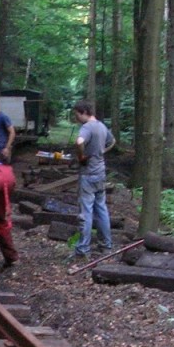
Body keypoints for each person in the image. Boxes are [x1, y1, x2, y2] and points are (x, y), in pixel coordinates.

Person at [71, 100, 115, 259]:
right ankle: (106, 245)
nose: (76, 118)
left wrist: (81, 156)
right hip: (101, 173)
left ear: (83, 112)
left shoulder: (87, 127)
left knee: (86, 212)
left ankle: (83, 249)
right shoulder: (102, 126)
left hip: (88, 174)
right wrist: (102, 151)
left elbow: (79, 142)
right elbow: (112, 141)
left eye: (77, 114)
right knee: (102, 209)